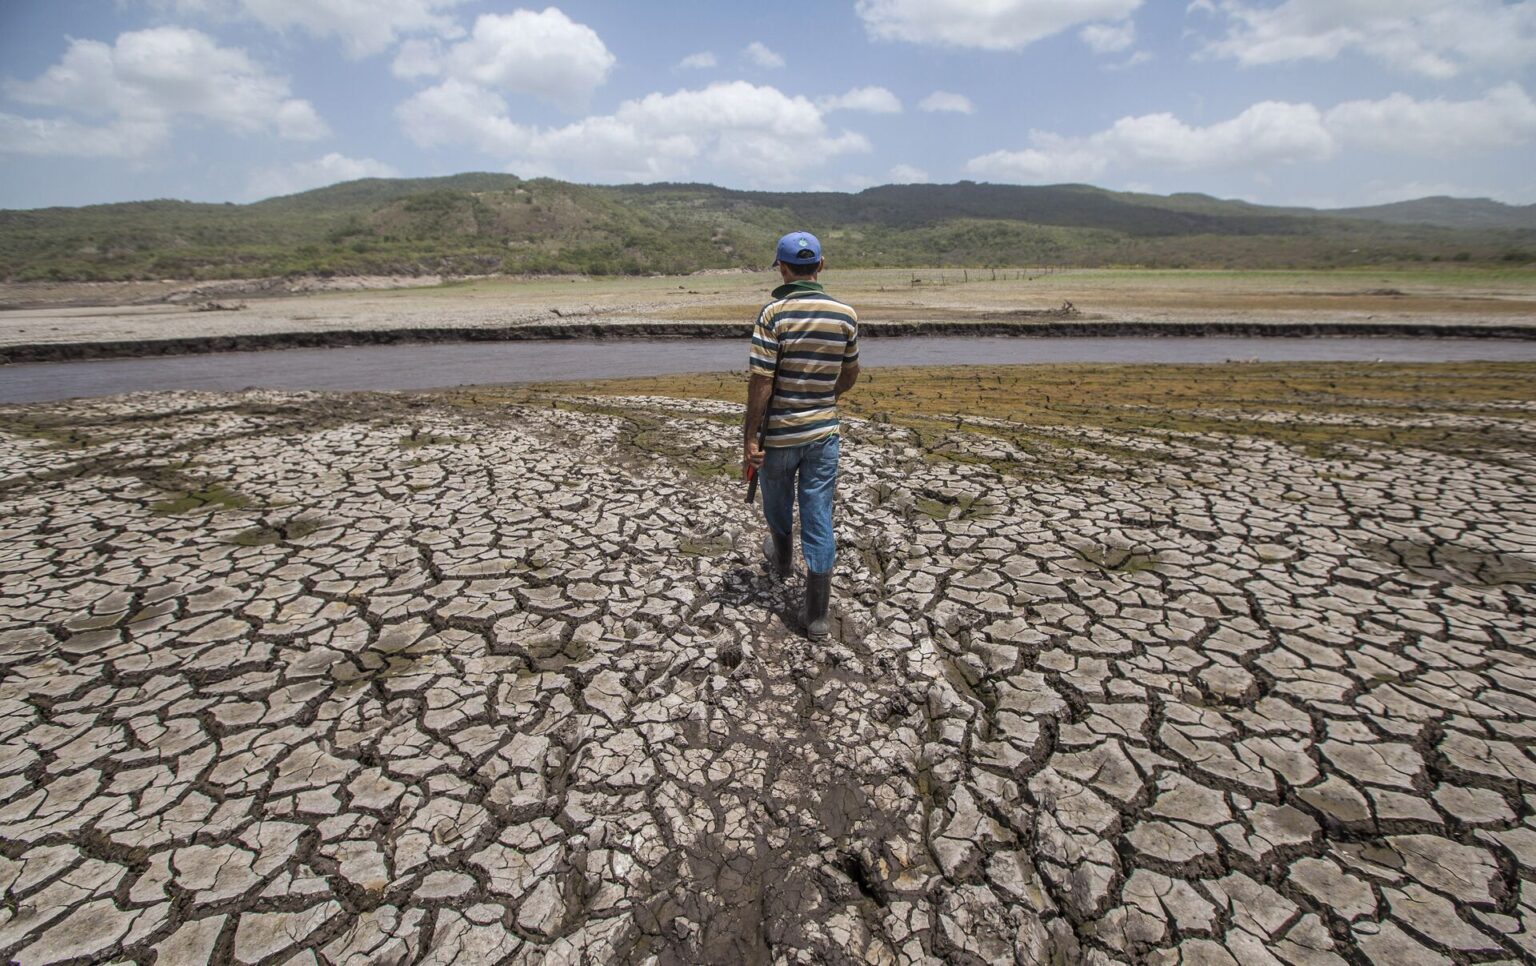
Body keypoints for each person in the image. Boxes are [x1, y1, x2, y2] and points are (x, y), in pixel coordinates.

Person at [742, 231, 860, 639]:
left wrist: (750, 438)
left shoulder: (773, 314)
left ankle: (782, 560)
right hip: (823, 435)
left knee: (776, 502)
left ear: (783, 268)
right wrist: (825, 397)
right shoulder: (845, 315)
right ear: (821, 266)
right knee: (818, 513)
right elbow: (850, 374)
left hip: (780, 436)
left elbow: (761, 382)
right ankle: (817, 616)